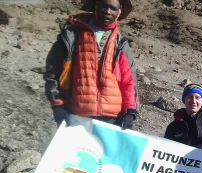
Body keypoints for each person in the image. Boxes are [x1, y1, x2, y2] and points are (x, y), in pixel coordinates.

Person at [44, 0, 139, 130]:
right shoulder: (72, 35)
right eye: (104, 6)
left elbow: (129, 81)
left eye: (113, 8)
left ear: (119, 12)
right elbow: (53, 71)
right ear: (96, 6)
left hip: (112, 118)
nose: (107, 11)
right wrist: (58, 104)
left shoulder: (121, 43)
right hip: (77, 115)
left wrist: (130, 111)